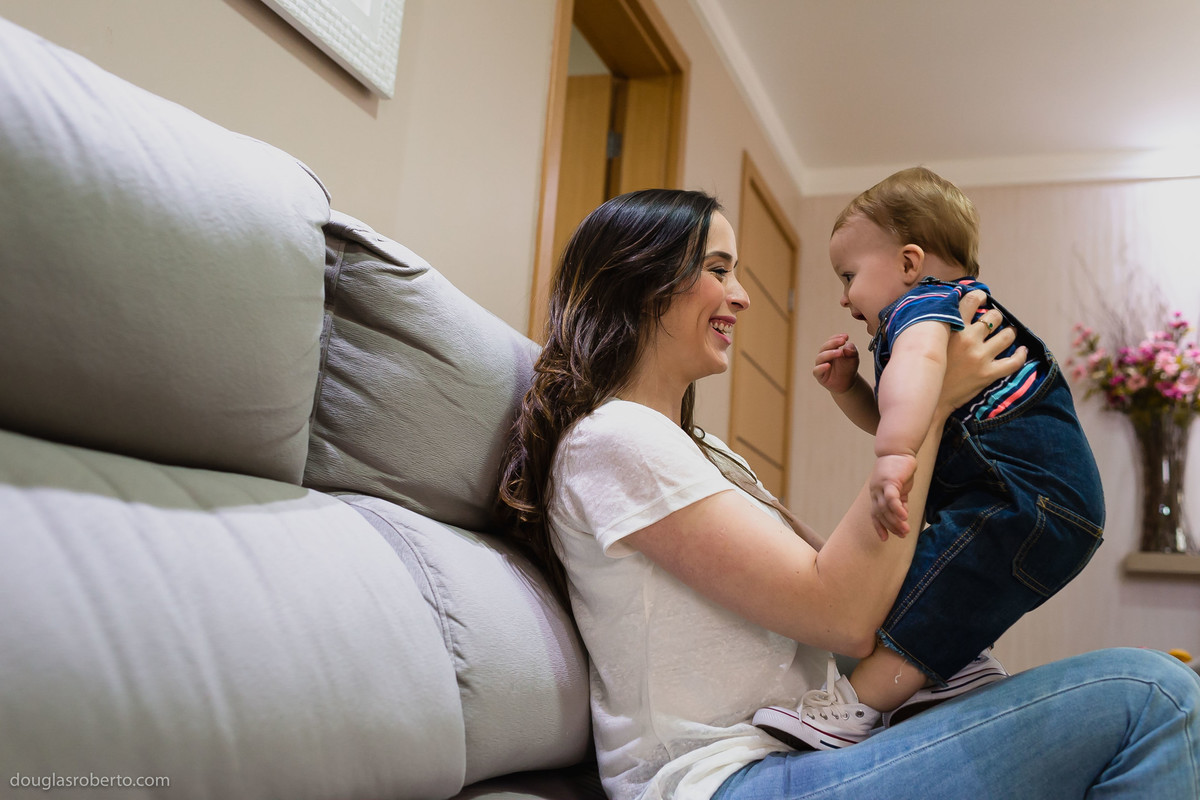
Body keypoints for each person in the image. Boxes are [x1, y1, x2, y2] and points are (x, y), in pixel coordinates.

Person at [498, 188, 1200, 800]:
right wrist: (935, 408)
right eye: (717, 270)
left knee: (1158, 690)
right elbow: (842, 613)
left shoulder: (702, 451)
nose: (740, 295)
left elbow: (847, 575)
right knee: (1155, 697)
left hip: (792, 759)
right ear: (640, 281)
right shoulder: (615, 440)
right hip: (722, 783)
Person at [752, 166, 1106, 751]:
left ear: (910, 263)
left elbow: (913, 390)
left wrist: (892, 456)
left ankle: (855, 704)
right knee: (937, 572)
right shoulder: (943, 312)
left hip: (1027, 496)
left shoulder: (922, 307)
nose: (843, 296)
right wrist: (851, 392)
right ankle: (959, 661)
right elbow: (908, 413)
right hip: (1036, 498)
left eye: (849, 275)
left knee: (937, 567)